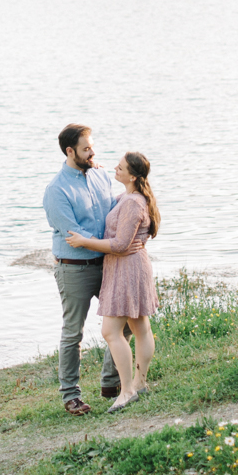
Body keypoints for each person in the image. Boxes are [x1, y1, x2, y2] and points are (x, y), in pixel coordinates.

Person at [43, 124, 137, 416]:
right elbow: (75, 234)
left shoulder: (98, 175)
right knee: (73, 332)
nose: (93, 152)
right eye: (86, 148)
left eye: (92, 146)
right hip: (75, 269)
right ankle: (70, 395)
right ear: (70, 152)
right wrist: (115, 244)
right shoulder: (56, 190)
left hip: (108, 263)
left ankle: (111, 382)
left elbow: (113, 210)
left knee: (125, 323)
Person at [65, 151, 160, 412]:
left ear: (132, 175)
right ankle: (139, 384)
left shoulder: (132, 203)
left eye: (119, 168)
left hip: (127, 268)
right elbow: (110, 202)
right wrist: (94, 169)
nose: (114, 170)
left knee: (111, 332)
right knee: (140, 328)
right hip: (128, 267)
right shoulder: (127, 197)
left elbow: (119, 245)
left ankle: (128, 390)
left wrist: (84, 242)